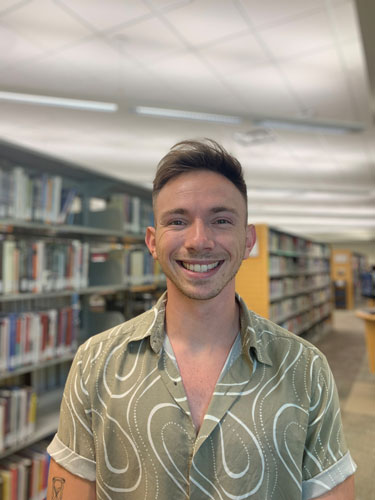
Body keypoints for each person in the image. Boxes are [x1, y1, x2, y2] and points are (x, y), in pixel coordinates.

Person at [47, 139, 356, 499]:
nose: (199, 240)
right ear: (152, 241)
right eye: (177, 221)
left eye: (221, 220)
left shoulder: (305, 368)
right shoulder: (95, 362)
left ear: (248, 238)